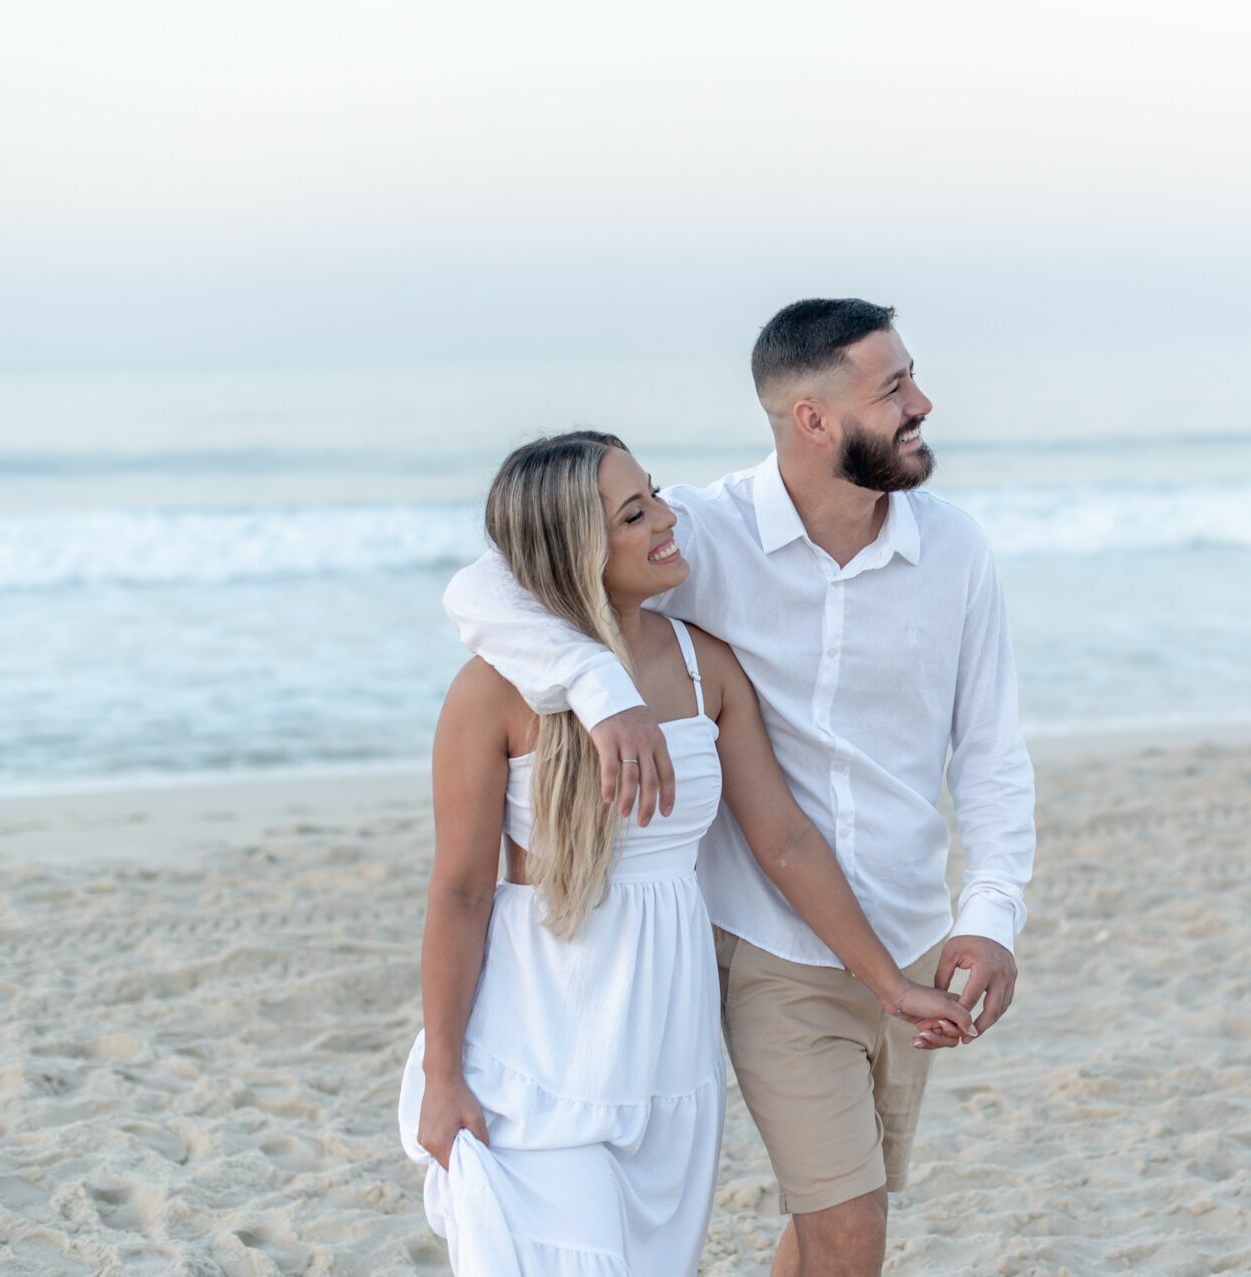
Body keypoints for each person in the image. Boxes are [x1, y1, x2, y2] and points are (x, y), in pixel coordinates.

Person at [440, 300, 1037, 1276]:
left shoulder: (956, 550)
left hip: (911, 929)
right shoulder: (703, 535)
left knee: (830, 1218)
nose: (922, 403)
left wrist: (993, 911)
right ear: (812, 418)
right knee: (851, 1230)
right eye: (893, 389)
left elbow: (991, 754)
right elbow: (491, 583)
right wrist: (596, 688)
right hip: (769, 945)